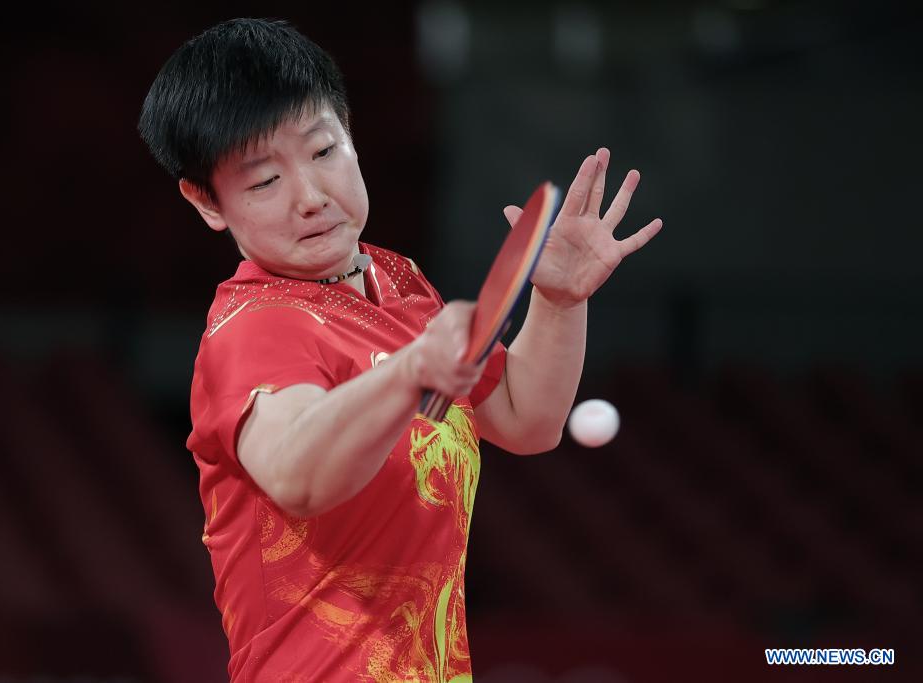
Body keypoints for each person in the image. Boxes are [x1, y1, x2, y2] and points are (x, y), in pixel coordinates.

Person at [138, 17, 662, 682]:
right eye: (264, 181)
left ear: (351, 135)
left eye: (324, 151)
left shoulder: (398, 281)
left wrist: (558, 301)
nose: (311, 197)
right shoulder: (254, 326)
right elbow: (299, 474)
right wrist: (410, 373)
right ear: (207, 202)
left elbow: (524, 417)